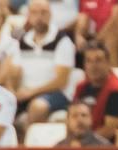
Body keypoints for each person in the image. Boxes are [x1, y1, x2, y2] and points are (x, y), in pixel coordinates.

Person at [14, 0, 76, 129]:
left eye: (43, 12)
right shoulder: (22, 42)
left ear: (50, 15)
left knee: (38, 107)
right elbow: (14, 72)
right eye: (34, 13)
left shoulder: (62, 41)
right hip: (26, 92)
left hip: (56, 94)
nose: (39, 17)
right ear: (28, 16)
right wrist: (12, 90)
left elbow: (61, 81)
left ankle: (30, 148)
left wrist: (31, 92)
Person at [74, 41, 118, 141]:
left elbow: (109, 130)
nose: (93, 66)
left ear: (108, 63)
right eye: (89, 61)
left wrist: (84, 144)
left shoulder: (116, 92)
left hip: (109, 149)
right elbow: (72, 119)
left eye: (98, 60)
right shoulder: (81, 88)